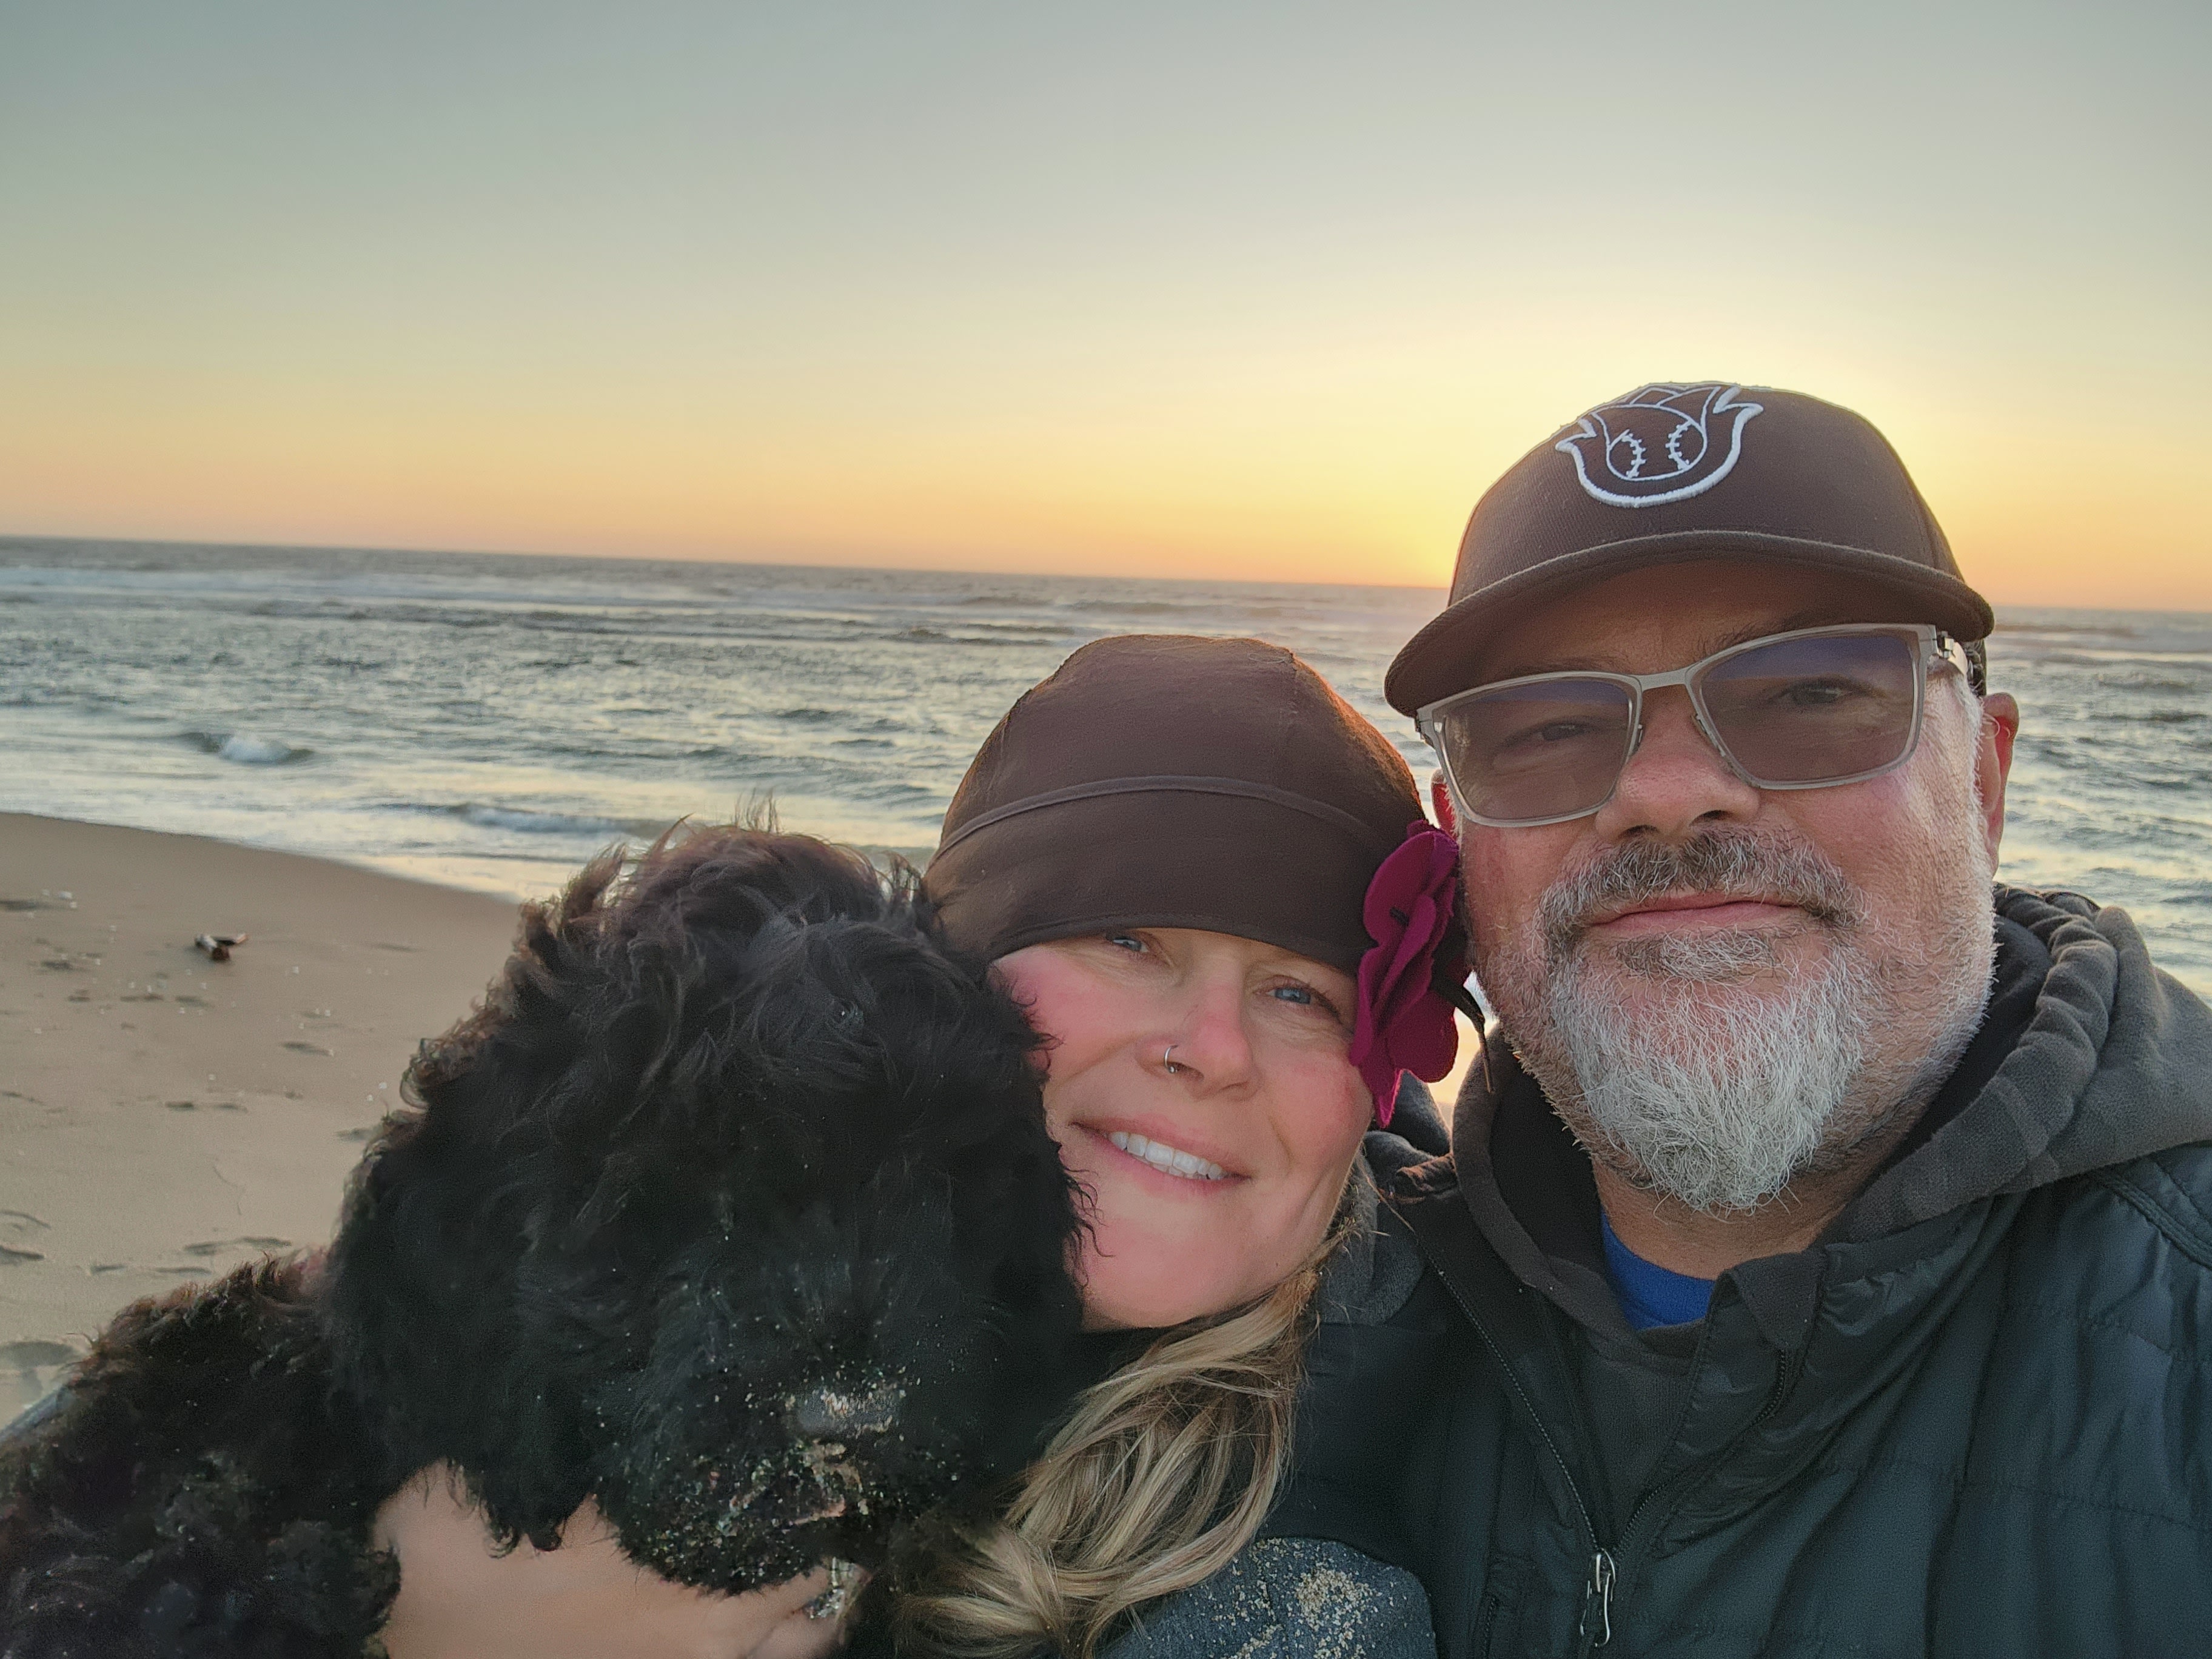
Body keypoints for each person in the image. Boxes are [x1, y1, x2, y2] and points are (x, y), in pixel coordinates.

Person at [1282, 381, 2212, 1655]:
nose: (1668, 790)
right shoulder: (1307, 1334)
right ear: (1463, 837)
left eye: (1812, 694)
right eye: (1545, 726)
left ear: (1984, 779)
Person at [893, 633, 1470, 1659]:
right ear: (948, 969)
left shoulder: (1301, 1610)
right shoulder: (656, 1255)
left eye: (1301, 994)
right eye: (1129, 939)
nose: (1213, 1050)